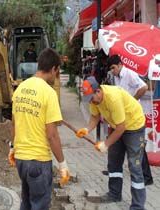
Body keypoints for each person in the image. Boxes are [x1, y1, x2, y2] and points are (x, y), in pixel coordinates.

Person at [9, 48, 70, 210]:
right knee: (40, 205)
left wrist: (12, 148)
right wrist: (63, 164)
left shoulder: (20, 88)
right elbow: (52, 136)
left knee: (27, 203)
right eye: (57, 72)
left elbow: (14, 123)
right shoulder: (48, 93)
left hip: (21, 160)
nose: (56, 77)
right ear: (53, 69)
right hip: (38, 162)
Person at [76, 76, 146, 209]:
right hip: (117, 126)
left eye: (91, 98)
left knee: (134, 166)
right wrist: (86, 129)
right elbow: (95, 117)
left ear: (98, 91)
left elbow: (121, 127)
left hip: (134, 127)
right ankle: (114, 194)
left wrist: (105, 144)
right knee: (113, 162)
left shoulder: (113, 98)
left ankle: (138, 205)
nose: (90, 101)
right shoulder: (95, 101)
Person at [107, 54, 153, 186]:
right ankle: (118, 169)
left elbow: (144, 87)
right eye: (111, 68)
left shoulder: (129, 74)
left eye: (113, 67)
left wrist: (132, 100)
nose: (112, 70)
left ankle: (147, 176)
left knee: (137, 148)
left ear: (120, 64)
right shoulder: (116, 77)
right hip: (123, 115)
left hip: (133, 115)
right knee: (131, 146)